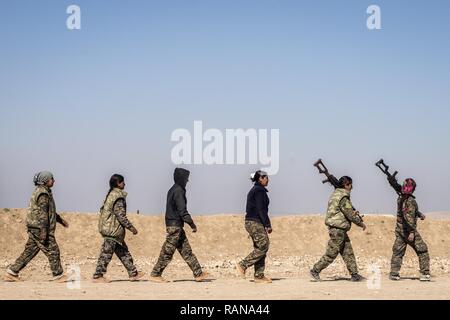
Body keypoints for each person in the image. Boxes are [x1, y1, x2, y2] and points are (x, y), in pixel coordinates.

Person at [4, 171, 69, 282]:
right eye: (51, 179)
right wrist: (43, 232)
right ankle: (58, 275)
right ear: (45, 180)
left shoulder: (43, 192)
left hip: (36, 227)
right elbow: (43, 214)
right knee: (53, 250)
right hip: (40, 228)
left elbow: (49, 211)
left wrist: (60, 220)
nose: (54, 181)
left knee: (29, 251)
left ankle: (12, 272)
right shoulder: (43, 194)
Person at [150, 168, 209, 283]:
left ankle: (198, 273)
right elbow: (182, 210)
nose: (187, 181)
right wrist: (192, 224)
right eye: (186, 178)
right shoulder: (179, 190)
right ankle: (155, 274)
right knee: (167, 252)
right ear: (181, 178)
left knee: (186, 251)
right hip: (175, 226)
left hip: (176, 225)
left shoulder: (173, 189)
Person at [310, 176, 367, 282]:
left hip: (339, 228)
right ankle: (315, 270)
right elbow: (349, 213)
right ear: (346, 185)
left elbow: (344, 211)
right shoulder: (343, 197)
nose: (352, 187)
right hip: (338, 229)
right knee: (332, 253)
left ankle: (354, 275)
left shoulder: (336, 194)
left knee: (348, 252)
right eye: (350, 185)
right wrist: (361, 223)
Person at [93, 174, 144, 283]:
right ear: (118, 183)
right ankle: (98, 276)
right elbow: (120, 215)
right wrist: (131, 227)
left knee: (124, 252)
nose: (124, 183)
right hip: (112, 231)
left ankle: (133, 273)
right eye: (122, 182)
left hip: (112, 230)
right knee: (106, 254)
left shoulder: (111, 194)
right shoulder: (118, 197)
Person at [387, 177, 430, 281]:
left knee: (398, 252)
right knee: (422, 250)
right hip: (408, 231)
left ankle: (394, 273)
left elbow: (405, 211)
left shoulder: (401, 198)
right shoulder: (410, 201)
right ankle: (424, 274)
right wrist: (411, 232)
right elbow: (408, 217)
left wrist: (419, 214)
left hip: (400, 230)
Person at [236, 170, 273, 284]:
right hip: (254, 222)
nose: (268, 179)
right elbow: (261, 209)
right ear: (260, 178)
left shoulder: (257, 190)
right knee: (263, 246)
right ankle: (243, 265)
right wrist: (267, 224)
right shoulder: (259, 191)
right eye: (266, 177)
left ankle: (259, 276)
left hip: (254, 222)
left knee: (260, 247)